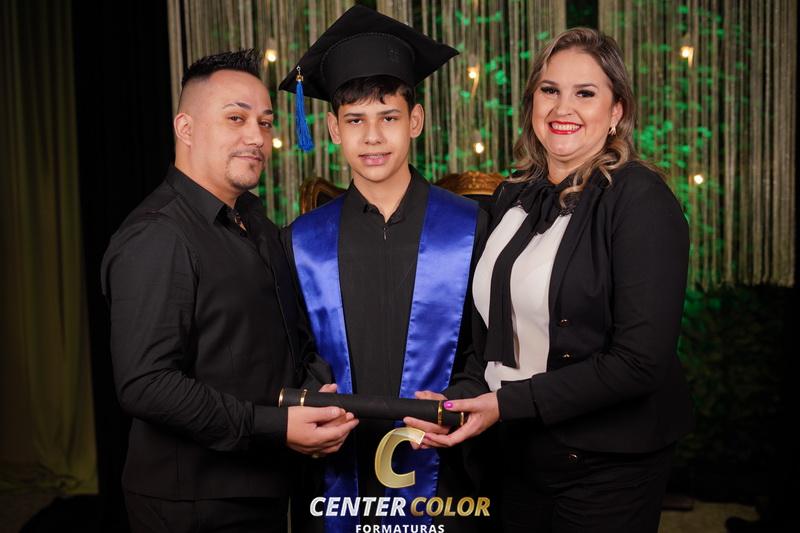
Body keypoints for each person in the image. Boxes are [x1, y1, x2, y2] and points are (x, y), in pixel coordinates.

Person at [408, 28, 694, 533]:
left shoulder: (640, 199)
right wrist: (459, 401)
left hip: (604, 469)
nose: (564, 108)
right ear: (533, 103)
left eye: (585, 93)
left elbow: (639, 363)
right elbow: (491, 338)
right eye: (549, 90)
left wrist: (505, 404)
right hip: (516, 457)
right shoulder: (513, 195)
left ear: (617, 111)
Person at [101, 49, 358, 533]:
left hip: (263, 487)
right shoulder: (157, 236)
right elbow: (145, 383)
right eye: (236, 119)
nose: (256, 137)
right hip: (194, 502)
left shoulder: (256, 222)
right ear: (186, 128)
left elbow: (284, 338)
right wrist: (275, 425)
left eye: (264, 123)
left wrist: (311, 397)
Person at [278, 6, 489, 533]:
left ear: (415, 121)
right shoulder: (301, 241)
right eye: (355, 120)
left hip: (444, 469)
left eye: (388, 117)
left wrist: (459, 398)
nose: (372, 137)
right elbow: (295, 351)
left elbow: (487, 345)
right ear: (333, 128)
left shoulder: (469, 226)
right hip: (336, 472)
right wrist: (313, 399)